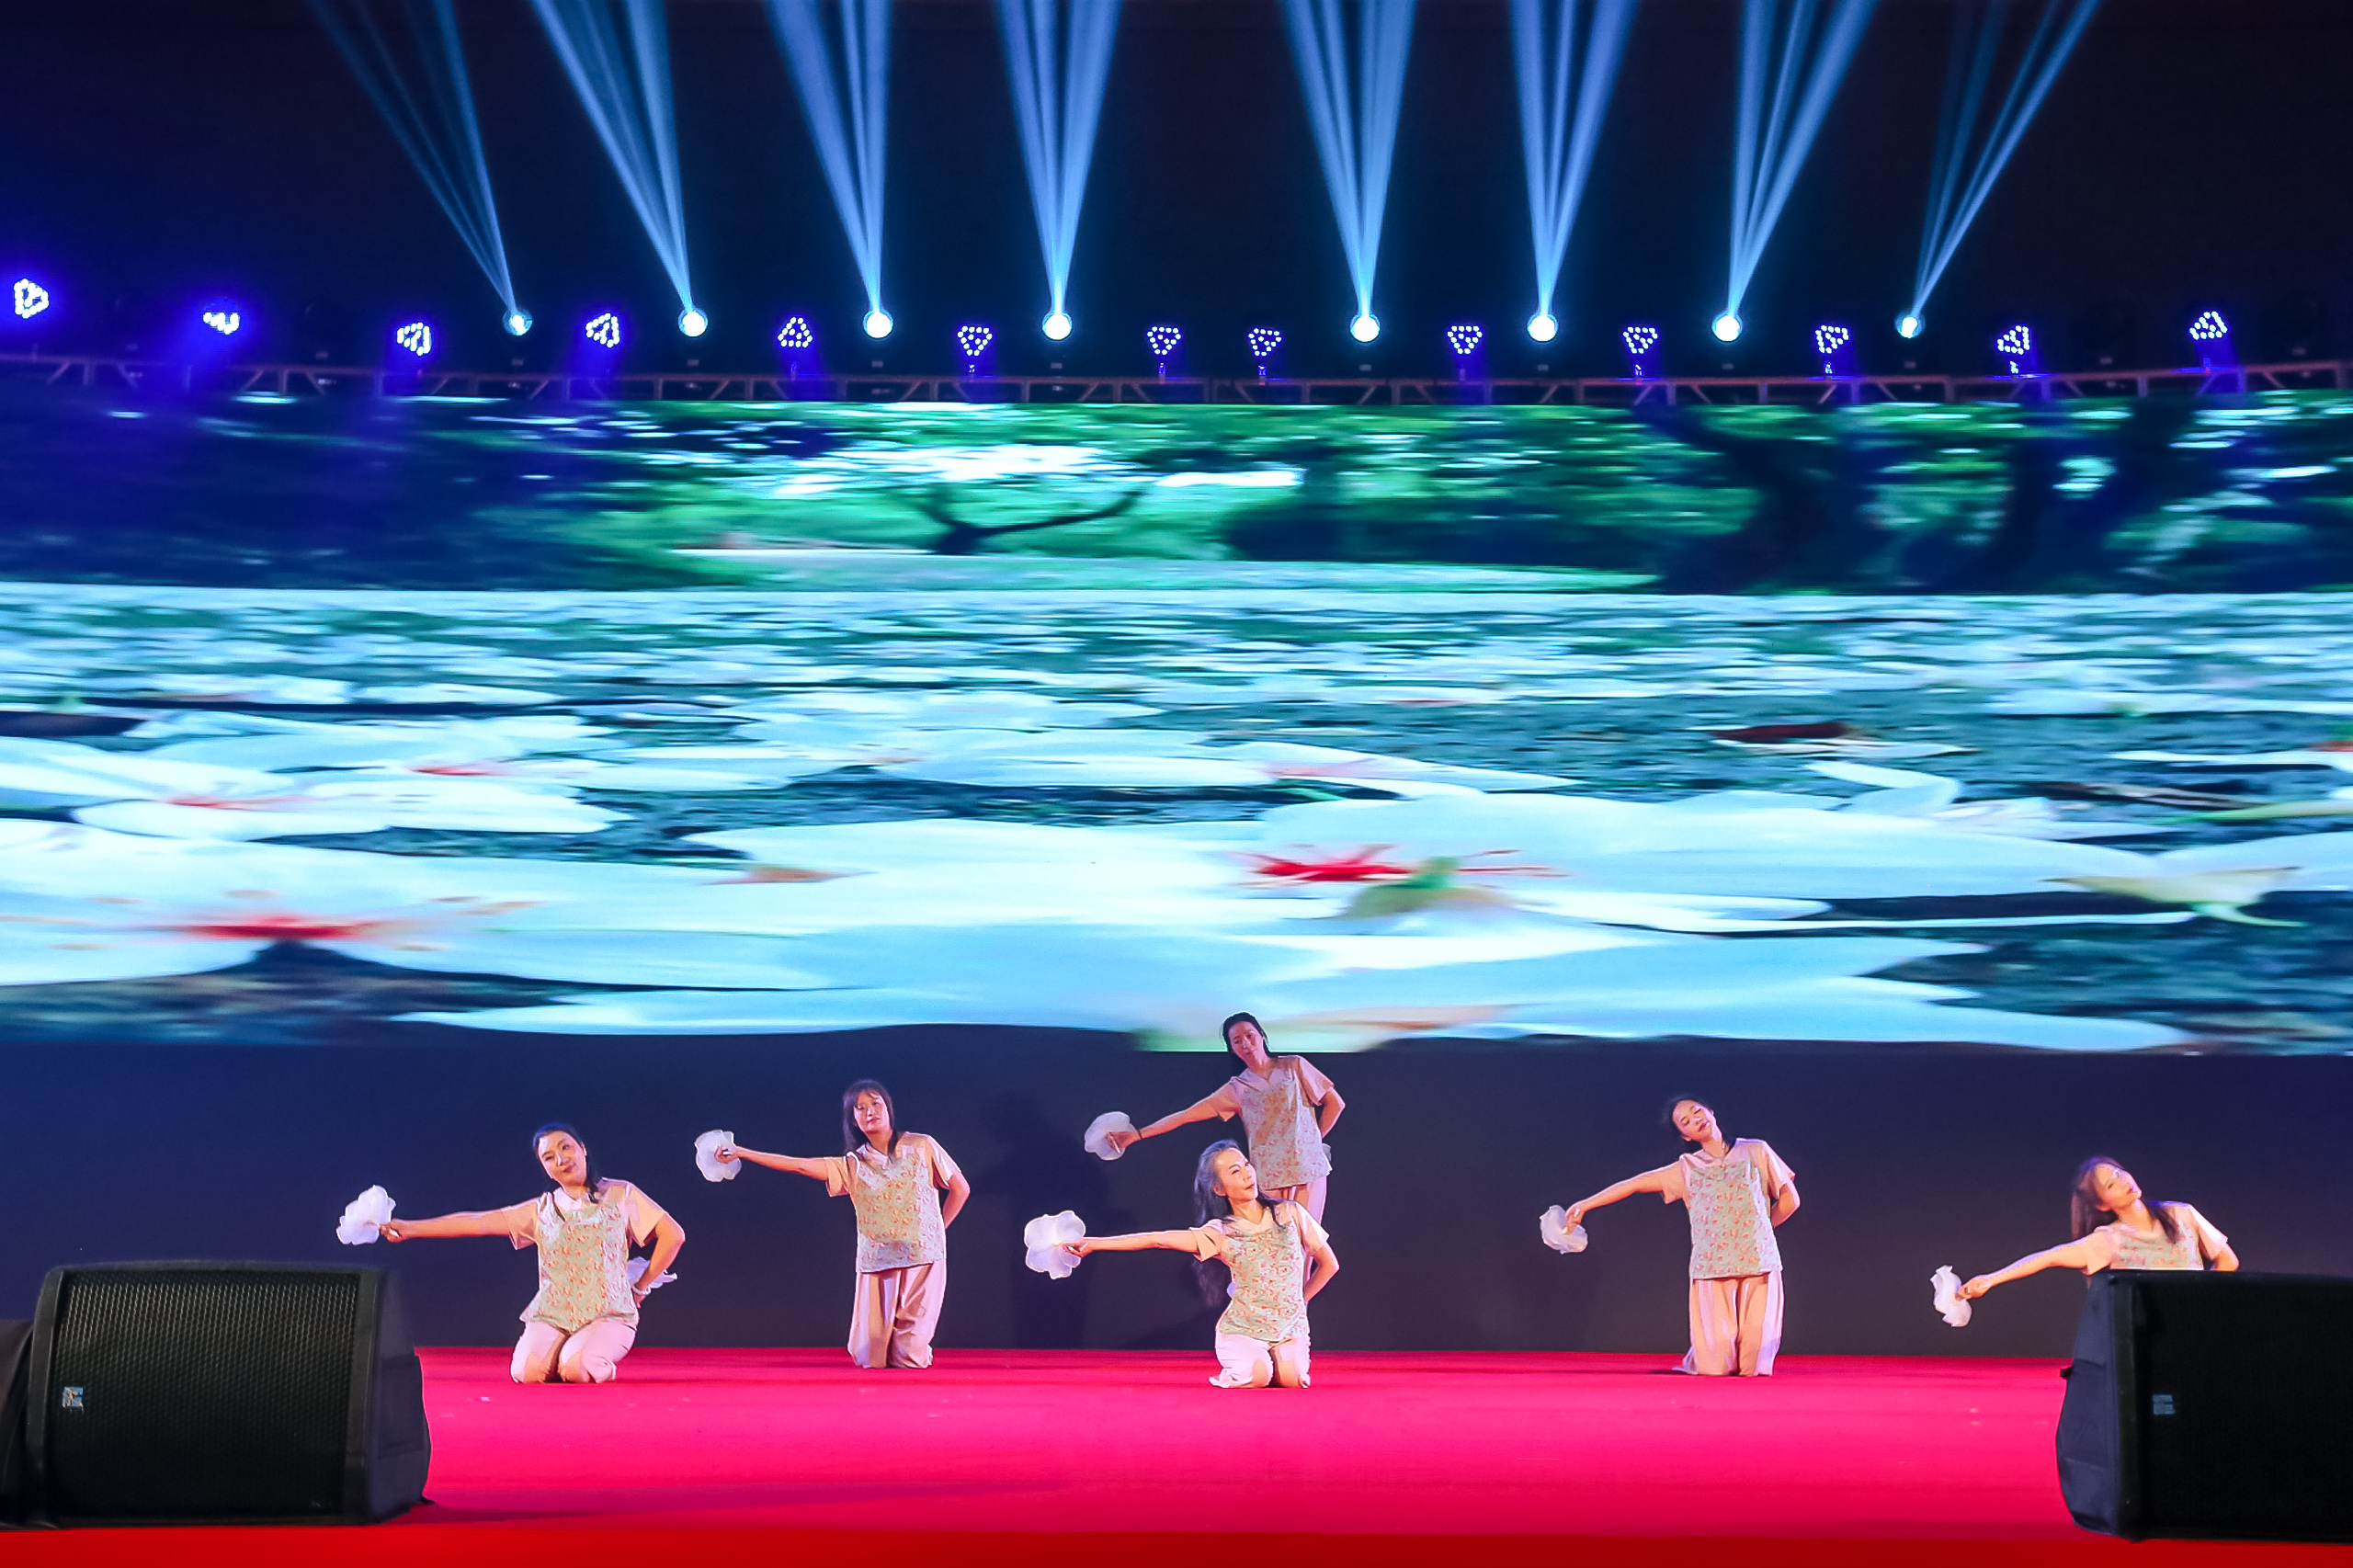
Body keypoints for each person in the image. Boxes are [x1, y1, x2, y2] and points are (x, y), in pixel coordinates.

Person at [381, 1122, 684, 1385]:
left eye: (566, 1148)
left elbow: (673, 1235)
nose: (561, 1159)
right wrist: (410, 1228)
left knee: (577, 1367)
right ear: (545, 1168)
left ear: (583, 1149)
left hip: (609, 1314)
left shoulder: (621, 1194)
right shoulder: (541, 1210)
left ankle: (582, 1357)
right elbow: (478, 1222)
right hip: (554, 1314)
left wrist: (640, 1287)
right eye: (549, 1157)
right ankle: (565, 1352)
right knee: (527, 1371)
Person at [717, 1080, 971, 1369]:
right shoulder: (854, 1163)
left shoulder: (921, 1145)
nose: (870, 1111)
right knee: (870, 1357)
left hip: (923, 1258)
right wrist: (744, 1152)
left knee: (908, 1357)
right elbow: (799, 1165)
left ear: (888, 1107)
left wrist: (937, 1231)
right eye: (860, 1108)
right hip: (879, 1262)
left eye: (875, 1103)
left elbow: (960, 1189)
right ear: (853, 1120)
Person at [1068, 1140, 1338, 1389]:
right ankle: (1247, 1364)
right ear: (1218, 1189)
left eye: (1246, 1165)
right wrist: (1095, 1243)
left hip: (1290, 1328)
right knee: (1258, 1376)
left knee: (1293, 1380)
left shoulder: (1289, 1213)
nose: (1247, 1174)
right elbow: (1158, 1240)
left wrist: (1299, 1301)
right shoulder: (1220, 1232)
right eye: (1235, 1171)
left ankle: (1275, 1362)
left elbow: (1329, 1264)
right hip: (1244, 1329)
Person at [1558, 1097, 1799, 1377]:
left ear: (1711, 1112)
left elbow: (1790, 1200)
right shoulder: (1688, 1167)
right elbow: (1635, 1184)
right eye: (1686, 1121)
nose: (1696, 1119)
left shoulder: (1756, 1150)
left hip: (1759, 1262)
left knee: (1754, 1362)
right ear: (1686, 1135)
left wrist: (1758, 1231)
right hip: (1713, 1266)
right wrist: (1585, 1204)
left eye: (1697, 1111)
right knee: (1716, 1365)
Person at [1102, 1012, 1344, 1222]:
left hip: (1307, 1170)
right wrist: (1136, 1135)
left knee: (1309, 1243)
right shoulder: (1237, 1088)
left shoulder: (1294, 1066)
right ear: (1232, 1048)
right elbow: (1184, 1116)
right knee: (1283, 1247)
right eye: (1237, 1041)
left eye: (1250, 1036)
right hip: (1270, 1177)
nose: (1246, 1044)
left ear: (1261, 1035)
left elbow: (1335, 1103)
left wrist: (1312, 1142)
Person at [1959, 1157, 2238, 1301]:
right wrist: (1991, 1279)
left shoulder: (2181, 1213)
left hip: (2194, 1315)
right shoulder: (2109, 1240)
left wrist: (2199, 1295)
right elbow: (2049, 1257)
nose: (2124, 1181)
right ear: (2103, 1205)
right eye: (2111, 1184)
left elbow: (2228, 1260)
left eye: (2119, 1173)